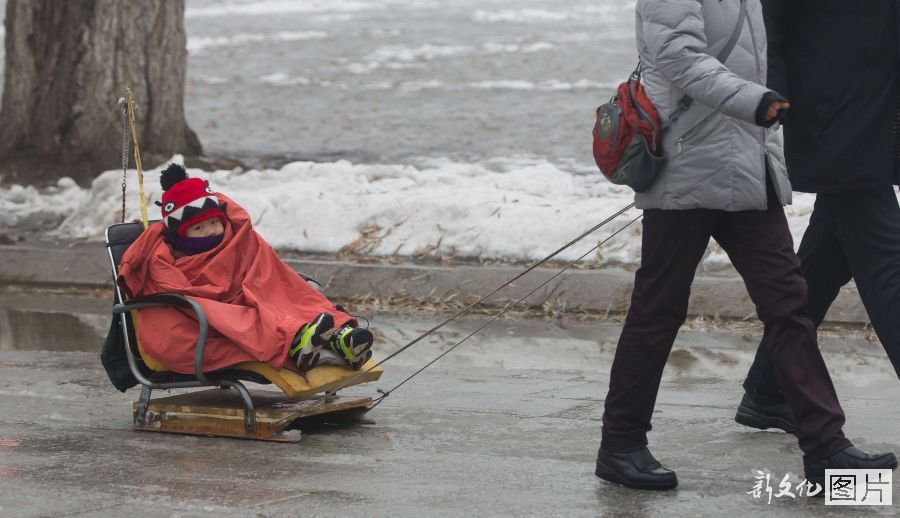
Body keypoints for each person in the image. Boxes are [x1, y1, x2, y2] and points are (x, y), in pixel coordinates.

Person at [595, 0, 897, 491]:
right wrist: (755, 101)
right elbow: (679, 58)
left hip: (747, 169)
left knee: (790, 305)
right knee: (658, 310)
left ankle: (826, 450)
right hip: (688, 169)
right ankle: (621, 445)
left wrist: (770, 129)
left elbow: (767, 57)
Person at [736, 0, 900, 434]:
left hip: (875, 108)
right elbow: (768, 18)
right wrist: (770, 93)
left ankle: (768, 389)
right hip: (834, 113)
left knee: (823, 263)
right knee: (889, 265)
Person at [118, 163, 374, 375]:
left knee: (288, 291)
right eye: (199, 228)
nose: (210, 231)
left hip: (248, 299)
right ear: (180, 234)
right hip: (203, 318)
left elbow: (266, 269)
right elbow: (183, 293)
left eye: (214, 223)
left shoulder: (237, 240)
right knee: (239, 313)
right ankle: (295, 340)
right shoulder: (163, 259)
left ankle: (340, 337)